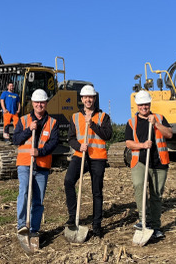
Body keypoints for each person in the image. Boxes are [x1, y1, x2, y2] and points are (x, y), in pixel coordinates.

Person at [64, 85, 112, 238]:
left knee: (96, 191)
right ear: (82, 99)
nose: (88, 100)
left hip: (97, 157)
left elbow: (107, 135)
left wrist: (92, 125)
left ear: (94, 99)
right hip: (80, 156)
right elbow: (71, 138)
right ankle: (73, 217)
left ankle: (97, 225)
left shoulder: (103, 116)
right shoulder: (75, 117)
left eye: (90, 97)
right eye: (85, 97)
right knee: (68, 181)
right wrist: (79, 146)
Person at [13, 89, 59, 242]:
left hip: (42, 166)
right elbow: (16, 140)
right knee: (24, 192)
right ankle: (21, 225)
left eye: (42, 102)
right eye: (37, 102)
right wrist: (28, 130)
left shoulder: (52, 122)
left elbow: (53, 143)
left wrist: (40, 152)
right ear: (32, 104)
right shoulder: (24, 120)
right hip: (25, 163)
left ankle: (34, 230)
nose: (39, 105)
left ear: (46, 103)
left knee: (38, 200)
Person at [125, 90, 173, 240]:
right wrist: (142, 145)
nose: (144, 107)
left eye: (146, 104)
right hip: (139, 161)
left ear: (149, 104)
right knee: (139, 186)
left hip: (159, 162)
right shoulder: (131, 122)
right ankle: (143, 220)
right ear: (137, 106)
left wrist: (156, 124)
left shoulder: (159, 118)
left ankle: (156, 226)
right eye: (141, 105)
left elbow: (169, 134)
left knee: (156, 195)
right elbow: (128, 142)